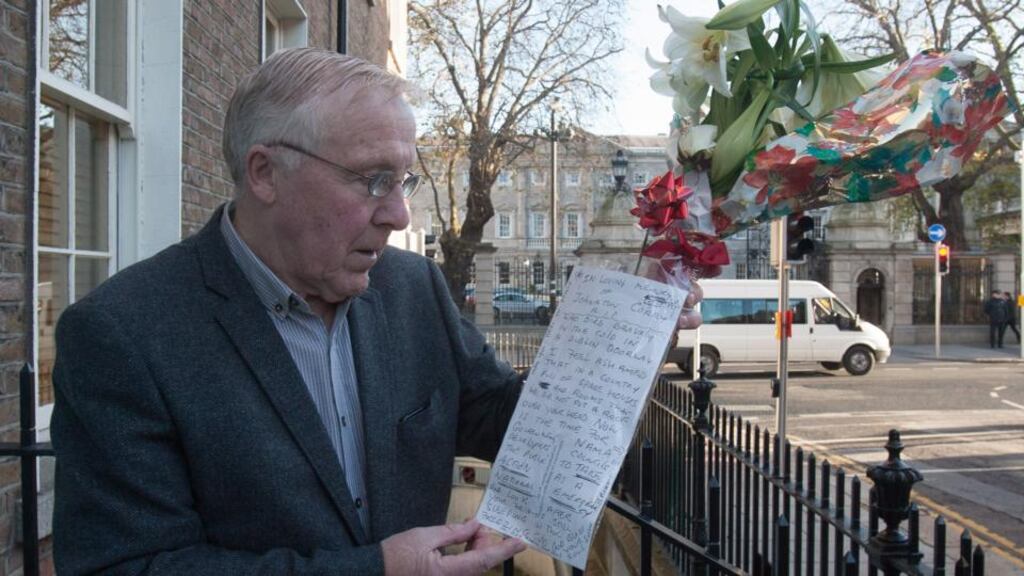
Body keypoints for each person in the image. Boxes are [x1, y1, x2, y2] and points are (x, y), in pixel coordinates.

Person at [51, 49, 527, 575]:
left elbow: (514, 424)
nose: (398, 214)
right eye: (374, 180)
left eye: (404, 181)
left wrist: (625, 330)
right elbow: (126, 566)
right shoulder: (123, 333)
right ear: (265, 173)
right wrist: (377, 570)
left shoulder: (414, 289)